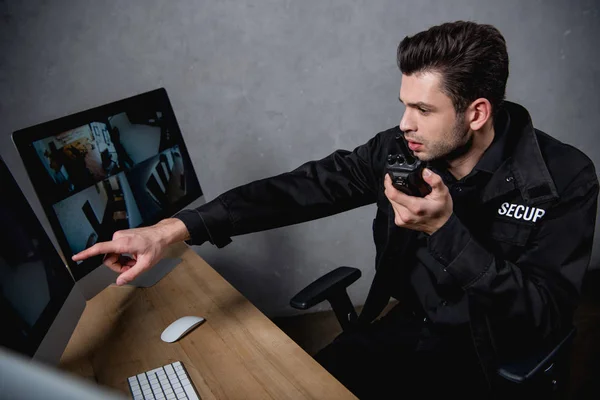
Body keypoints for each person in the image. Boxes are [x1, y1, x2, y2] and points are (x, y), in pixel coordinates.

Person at [72, 21, 599, 398]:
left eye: (422, 109)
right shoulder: (400, 147)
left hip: (483, 355)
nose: (405, 123)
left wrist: (446, 231)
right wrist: (171, 230)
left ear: (477, 112)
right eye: (403, 104)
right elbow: (300, 188)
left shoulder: (563, 179)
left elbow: (543, 316)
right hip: (403, 327)